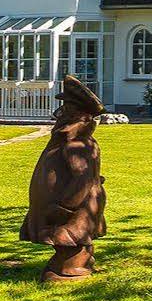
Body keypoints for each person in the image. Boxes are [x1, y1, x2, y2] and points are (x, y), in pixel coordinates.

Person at [18, 73, 107, 280]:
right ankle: (76, 261)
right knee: (68, 243)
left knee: (71, 240)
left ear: (77, 115)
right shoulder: (66, 141)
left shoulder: (77, 145)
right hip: (58, 209)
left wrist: (65, 207)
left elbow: (83, 181)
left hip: (69, 212)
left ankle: (72, 268)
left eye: (65, 110)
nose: (58, 115)